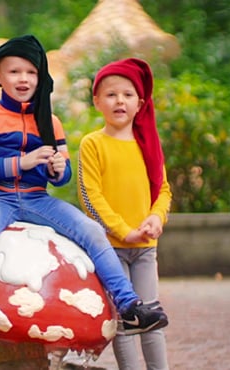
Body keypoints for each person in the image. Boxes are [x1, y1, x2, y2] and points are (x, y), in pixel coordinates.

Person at [0, 35, 168, 337]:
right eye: (14, 72)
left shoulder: (50, 122)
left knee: (90, 230)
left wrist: (58, 168)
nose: (24, 79)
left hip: (37, 199)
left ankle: (129, 306)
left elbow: (63, 177)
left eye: (31, 72)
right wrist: (21, 162)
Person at [77, 58, 172, 369]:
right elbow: (91, 198)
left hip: (145, 250)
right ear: (97, 102)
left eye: (128, 94)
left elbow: (163, 191)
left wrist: (156, 218)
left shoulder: (148, 146)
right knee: (123, 321)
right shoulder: (93, 144)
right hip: (109, 249)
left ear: (140, 102)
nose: (120, 101)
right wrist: (121, 230)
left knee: (152, 319)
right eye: (111, 94)